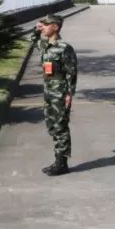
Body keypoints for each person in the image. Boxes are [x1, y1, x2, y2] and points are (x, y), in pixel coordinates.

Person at [36, 14, 78, 176]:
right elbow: (33, 40)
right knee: (52, 124)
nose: (43, 27)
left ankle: (62, 163)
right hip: (48, 91)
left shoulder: (64, 47)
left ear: (56, 26)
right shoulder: (46, 44)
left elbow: (71, 72)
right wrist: (37, 28)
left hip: (60, 92)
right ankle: (58, 160)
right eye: (43, 25)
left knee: (60, 125)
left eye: (47, 25)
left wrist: (69, 93)